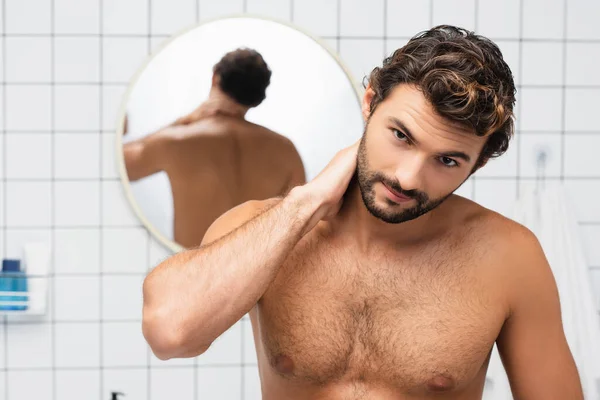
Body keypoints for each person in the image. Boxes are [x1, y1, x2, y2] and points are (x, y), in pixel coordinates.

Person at [141, 26, 584, 399]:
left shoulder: (508, 257)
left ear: (478, 163)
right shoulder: (272, 226)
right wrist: (306, 203)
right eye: (401, 136)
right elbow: (170, 333)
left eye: (448, 161)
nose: (410, 178)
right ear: (370, 103)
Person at [123, 48, 306, 248]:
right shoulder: (286, 151)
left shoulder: (177, 141)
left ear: (215, 78)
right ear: (257, 97)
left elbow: (120, 164)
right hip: (254, 272)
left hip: (192, 269)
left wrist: (182, 122)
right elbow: (302, 218)